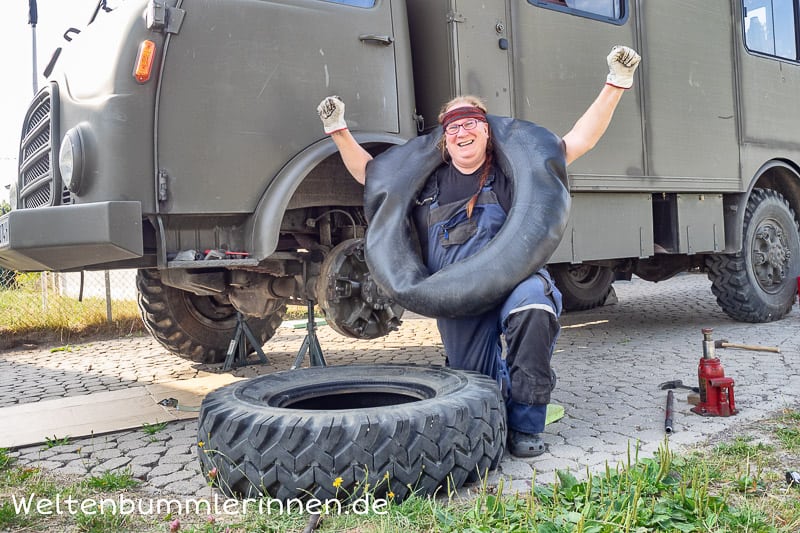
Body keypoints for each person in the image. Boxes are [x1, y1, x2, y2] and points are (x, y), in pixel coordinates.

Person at [317, 46, 641, 458]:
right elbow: (371, 174)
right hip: (456, 295)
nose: (462, 132)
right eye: (453, 127)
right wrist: (338, 130)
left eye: (472, 123)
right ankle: (494, 412)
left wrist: (615, 83)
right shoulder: (426, 183)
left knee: (534, 311)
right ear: (443, 139)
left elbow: (579, 139)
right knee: (475, 381)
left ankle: (526, 423)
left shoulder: (512, 174)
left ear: (488, 131)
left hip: (515, 282)